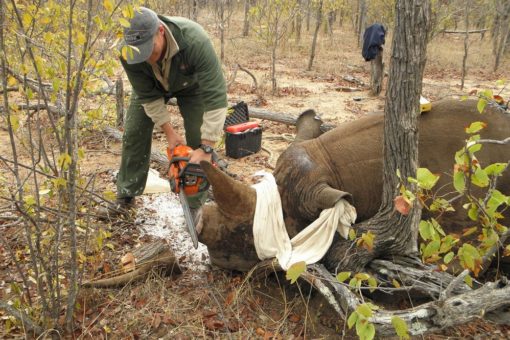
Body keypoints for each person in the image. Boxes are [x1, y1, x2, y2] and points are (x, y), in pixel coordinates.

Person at [100, 7, 227, 219]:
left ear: (160, 31)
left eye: (151, 50)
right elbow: (147, 97)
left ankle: (195, 204)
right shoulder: (128, 52)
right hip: (152, 87)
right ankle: (126, 196)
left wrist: (207, 146)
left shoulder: (194, 40)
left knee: (198, 137)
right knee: (134, 133)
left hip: (191, 87)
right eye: (141, 53)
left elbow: (216, 96)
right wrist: (169, 133)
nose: (147, 58)